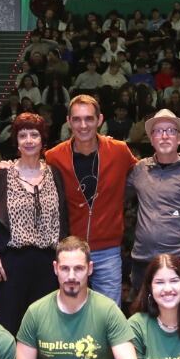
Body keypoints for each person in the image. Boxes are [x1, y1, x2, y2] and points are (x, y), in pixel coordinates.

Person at [46, 95, 137, 304]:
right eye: (77, 119)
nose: (83, 125)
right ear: (68, 121)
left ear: (100, 119)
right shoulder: (54, 156)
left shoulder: (119, 151)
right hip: (71, 251)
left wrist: (179, 162)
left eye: (89, 119)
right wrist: (9, 167)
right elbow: (32, 173)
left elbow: (145, 172)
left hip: (108, 250)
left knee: (109, 314)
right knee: (71, 311)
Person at [0, 112, 68, 334]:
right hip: (11, 262)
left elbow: (63, 219)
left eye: (34, 135)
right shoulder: (1, 177)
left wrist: (63, 258)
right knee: (8, 325)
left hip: (47, 262)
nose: (29, 140)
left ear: (43, 140)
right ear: (16, 141)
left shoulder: (55, 174)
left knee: (45, 327)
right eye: (23, 135)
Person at [125, 110, 180, 296]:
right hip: (143, 262)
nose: (164, 136)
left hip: (179, 263)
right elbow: (115, 193)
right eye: (158, 131)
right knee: (143, 321)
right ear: (151, 139)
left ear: (179, 138)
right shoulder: (140, 169)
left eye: (171, 131)